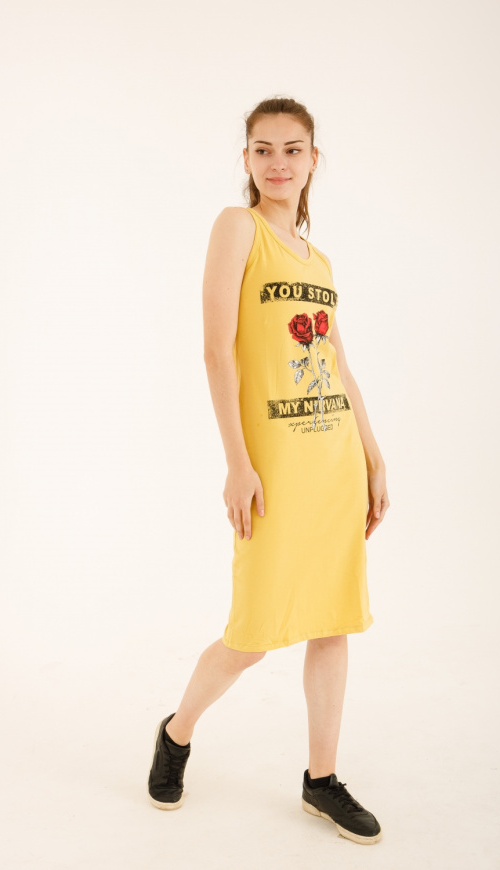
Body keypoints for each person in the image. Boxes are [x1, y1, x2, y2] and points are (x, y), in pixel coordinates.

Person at [147, 96, 390, 846]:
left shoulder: (318, 260)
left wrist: (373, 456)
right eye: (263, 149)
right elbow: (216, 350)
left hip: (334, 463)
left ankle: (321, 779)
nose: (277, 163)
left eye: (292, 149)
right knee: (251, 635)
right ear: (247, 159)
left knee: (333, 623)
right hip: (273, 470)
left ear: (314, 160)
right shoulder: (238, 228)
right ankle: (177, 732)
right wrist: (237, 463)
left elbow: (340, 365)